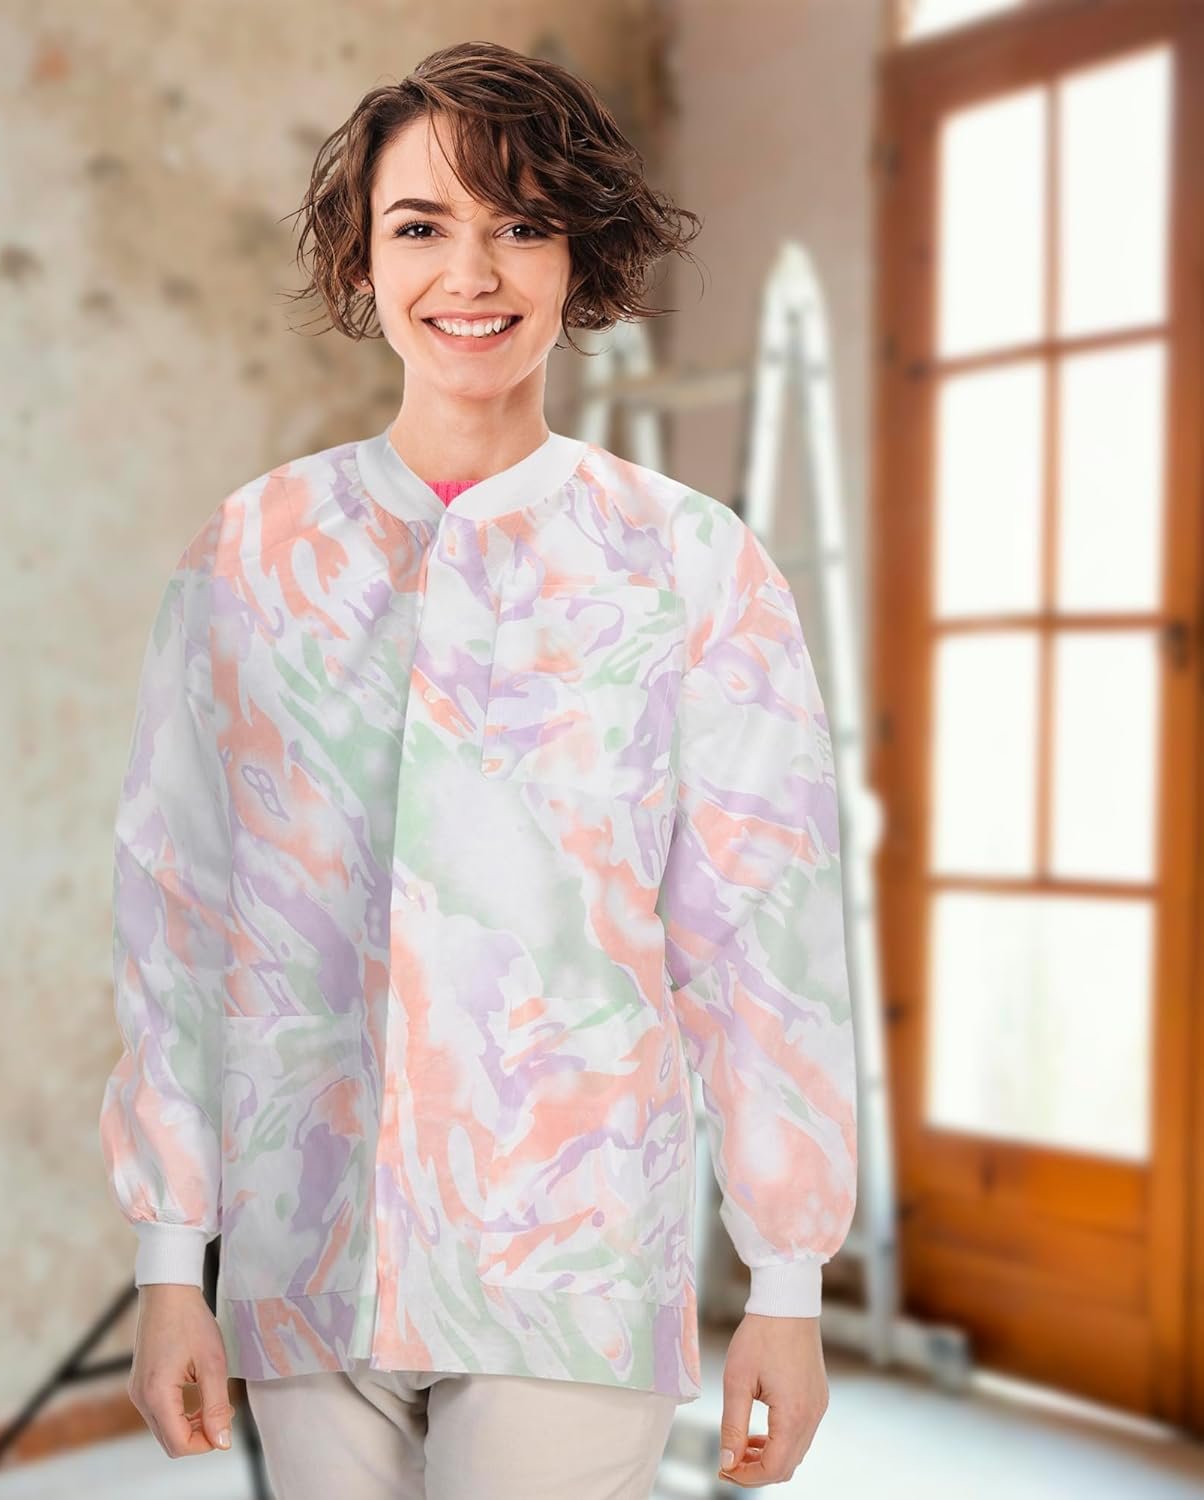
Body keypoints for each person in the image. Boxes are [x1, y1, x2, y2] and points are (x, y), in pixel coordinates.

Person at [99, 38, 858, 1499]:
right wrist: (169, 1260)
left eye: (521, 223)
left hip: (569, 1265)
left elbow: (761, 942)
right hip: (307, 1255)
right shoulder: (252, 555)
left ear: (580, 256)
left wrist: (786, 1285)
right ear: (362, 258)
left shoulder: (690, 565)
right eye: (420, 226)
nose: (471, 272)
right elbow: (178, 918)